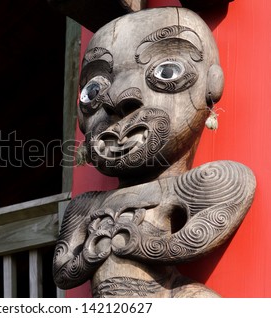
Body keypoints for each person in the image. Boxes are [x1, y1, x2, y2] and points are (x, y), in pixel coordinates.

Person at [53, 7, 255, 297]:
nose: (117, 97)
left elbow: (200, 236)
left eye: (167, 71)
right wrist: (89, 255)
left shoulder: (200, 184)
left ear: (212, 84)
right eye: (93, 90)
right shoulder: (84, 206)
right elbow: (62, 271)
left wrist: (137, 242)